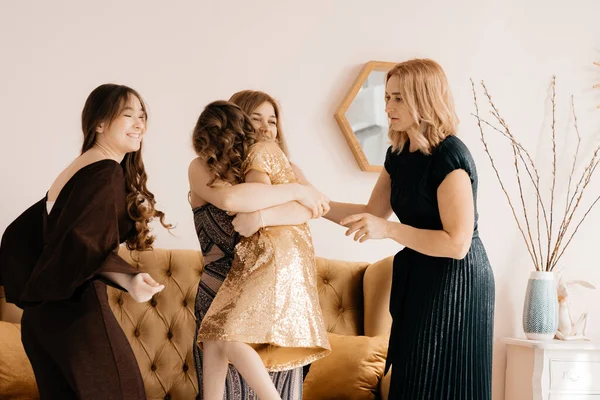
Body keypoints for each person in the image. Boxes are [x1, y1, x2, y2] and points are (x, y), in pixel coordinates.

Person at [325, 59, 495, 399]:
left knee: (441, 383)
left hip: (457, 281)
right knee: (411, 379)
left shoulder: (450, 155)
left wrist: (388, 231)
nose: (387, 106)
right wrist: (314, 203)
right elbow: (372, 212)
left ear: (424, 99)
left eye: (398, 98)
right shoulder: (398, 154)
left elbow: (457, 243)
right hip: (421, 276)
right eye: (387, 97)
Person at [0, 83, 170, 399]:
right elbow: (82, 244)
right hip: (78, 318)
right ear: (99, 124)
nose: (139, 124)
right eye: (128, 115)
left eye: (142, 116)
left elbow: (33, 239)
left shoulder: (77, 170)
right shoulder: (105, 171)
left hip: (41, 324)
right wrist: (129, 277)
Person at [188, 97, 329, 400]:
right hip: (219, 285)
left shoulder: (272, 168)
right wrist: (297, 191)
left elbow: (310, 209)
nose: (264, 128)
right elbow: (231, 202)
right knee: (217, 340)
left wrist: (293, 197)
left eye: (272, 120)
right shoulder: (201, 169)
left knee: (223, 339)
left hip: (264, 278)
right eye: (256, 119)